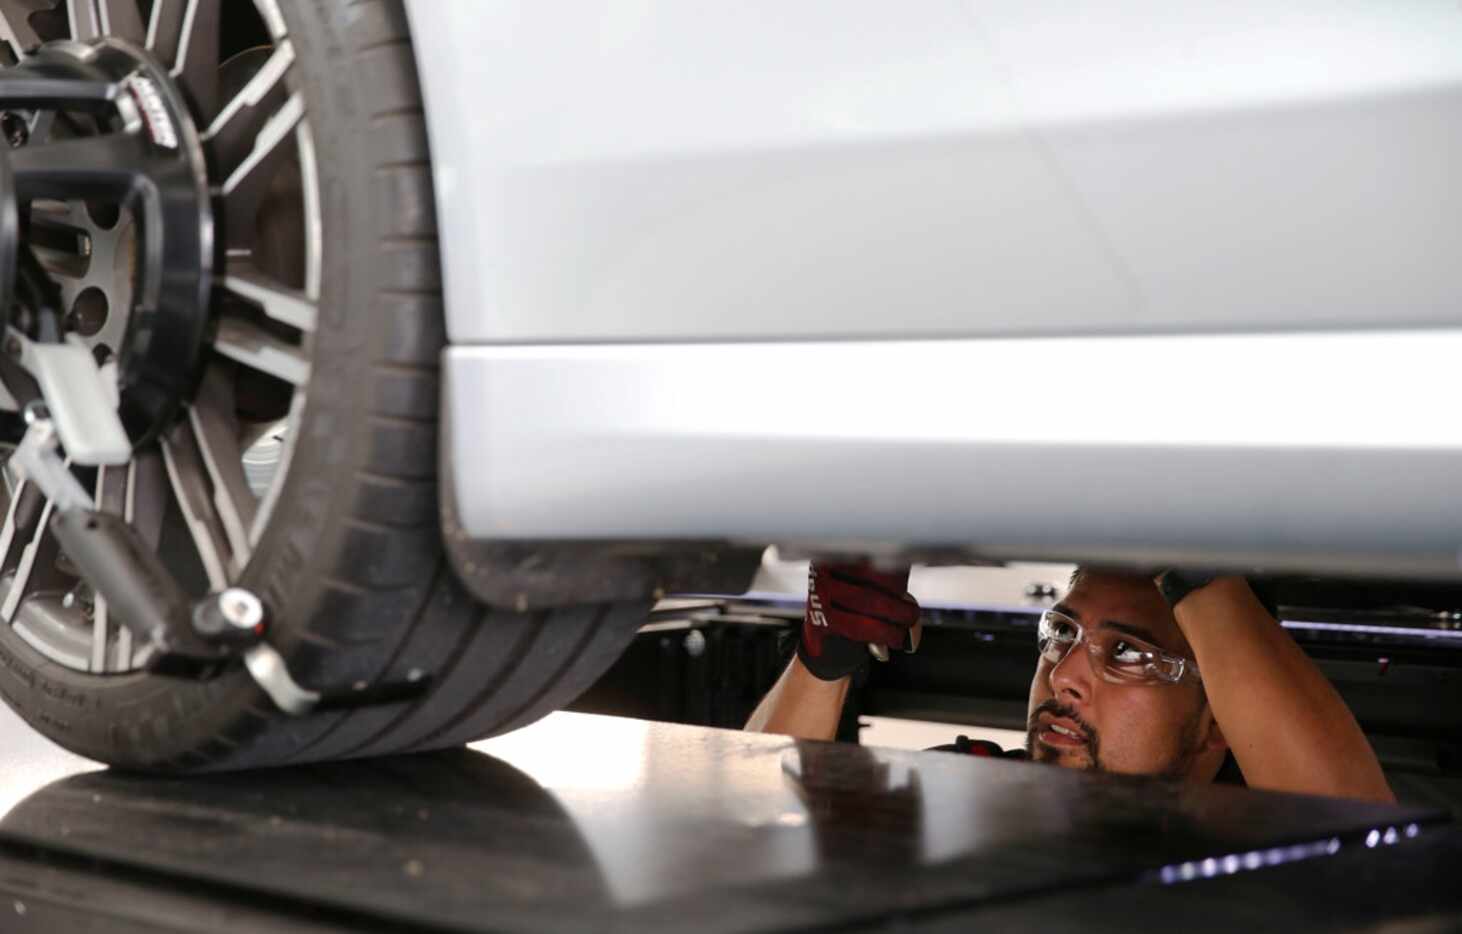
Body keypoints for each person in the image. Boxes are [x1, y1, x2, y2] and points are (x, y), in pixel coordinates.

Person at [746, 563, 1395, 803]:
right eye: (1061, 633)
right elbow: (742, 852)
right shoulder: (959, 799)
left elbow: (1375, 881)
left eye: (1128, 655)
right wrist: (821, 665)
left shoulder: (1264, 883)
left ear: (1218, 722)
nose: (1064, 675)